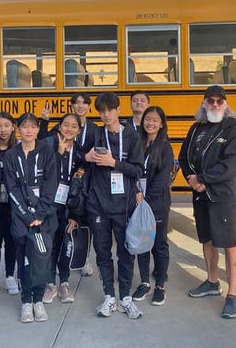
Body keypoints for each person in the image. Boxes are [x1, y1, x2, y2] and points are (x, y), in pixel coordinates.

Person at [178, 85, 236, 319]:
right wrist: (192, 179)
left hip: (222, 194)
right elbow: (184, 156)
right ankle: (212, 281)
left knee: (228, 243)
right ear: (204, 104)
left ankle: (233, 294)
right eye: (210, 101)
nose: (215, 105)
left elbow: (231, 164)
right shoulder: (197, 128)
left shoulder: (233, 128)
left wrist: (204, 179)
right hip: (200, 194)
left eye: (219, 101)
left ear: (225, 104)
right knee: (206, 239)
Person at [85, 92, 145, 319]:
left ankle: (126, 298)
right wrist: (88, 157)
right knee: (102, 253)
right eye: (101, 111)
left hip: (125, 205)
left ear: (120, 110)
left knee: (126, 252)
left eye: (110, 110)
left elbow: (138, 170)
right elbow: (79, 156)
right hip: (98, 205)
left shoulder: (132, 136)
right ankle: (109, 296)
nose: (106, 114)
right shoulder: (95, 133)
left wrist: (114, 163)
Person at [4, 113, 58, 323]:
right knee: (24, 260)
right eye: (24, 127)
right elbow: (12, 188)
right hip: (21, 218)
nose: (28, 130)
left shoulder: (46, 151)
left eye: (32, 127)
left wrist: (40, 214)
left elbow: (50, 184)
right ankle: (26, 301)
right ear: (18, 129)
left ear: (38, 129)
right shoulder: (11, 155)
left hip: (44, 218)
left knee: (41, 259)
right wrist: (27, 216)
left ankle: (38, 301)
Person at [39, 92, 98, 276]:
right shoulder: (52, 143)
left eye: (84, 102)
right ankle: (50, 270)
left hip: (77, 189)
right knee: (54, 233)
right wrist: (44, 121)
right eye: (77, 102)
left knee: (75, 227)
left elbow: (85, 158)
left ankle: (80, 258)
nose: (80, 105)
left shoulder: (94, 130)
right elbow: (39, 143)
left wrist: (86, 160)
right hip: (52, 197)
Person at [131, 106, 174, 306]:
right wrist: (136, 193)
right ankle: (145, 283)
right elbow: (131, 170)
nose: (150, 123)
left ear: (161, 124)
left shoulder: (164, 147)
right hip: (137, 200)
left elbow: (163, 177)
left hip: (156, 203)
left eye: (155, 120)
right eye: (147, 119)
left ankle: (160, 286)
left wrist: (146, 198)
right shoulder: (136, 142)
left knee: (158, 244)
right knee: (141, 243)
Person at [42, 113, 85, 304]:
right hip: (49, 205)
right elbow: (44, 173)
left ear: (79, 130)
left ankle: (64, 283)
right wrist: (59, 153)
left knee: (66, 244)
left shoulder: (80, 153)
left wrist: (75, 214)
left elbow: (81, 185)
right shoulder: (48, 145)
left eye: (73, 126)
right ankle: (50, 283)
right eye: (65, 125)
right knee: (49, 245)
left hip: (68, 206)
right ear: (59, 127)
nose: (69, 129)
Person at [0, 112, 20, 297]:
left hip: (13, 204)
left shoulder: (18, 148)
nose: (3, 130)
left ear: (13, 127)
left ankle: (9, 276)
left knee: (11, 242)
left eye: (7, 125)